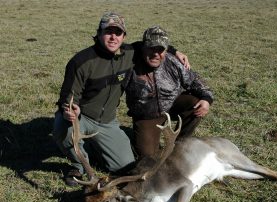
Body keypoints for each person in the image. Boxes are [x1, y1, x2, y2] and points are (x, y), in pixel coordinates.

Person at [53, 13, 189, 186]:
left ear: (123, 36)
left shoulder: (129, 53)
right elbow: (68, 97)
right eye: (108, 31)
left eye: (118, 33)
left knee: (124, 167)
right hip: (83, 117)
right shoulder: (80, 62)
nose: (113, 37)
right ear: (99, 33)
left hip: (108, 122)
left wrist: (174, 51)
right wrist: (70, 110)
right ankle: (77, 165)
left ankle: (96, 148)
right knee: (61, 128)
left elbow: (149, 45)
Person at [125, 26, 213, 160]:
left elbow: (195, 81)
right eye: (151, 48)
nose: (156, 54)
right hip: (147, 116)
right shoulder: (128, 62)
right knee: (149, 159)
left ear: (166, 50)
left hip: (172, 105)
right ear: (143, 47)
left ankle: (179, 147)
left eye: (160, 49)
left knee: (195, 103)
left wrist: (206, 99)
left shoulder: (173, 61)